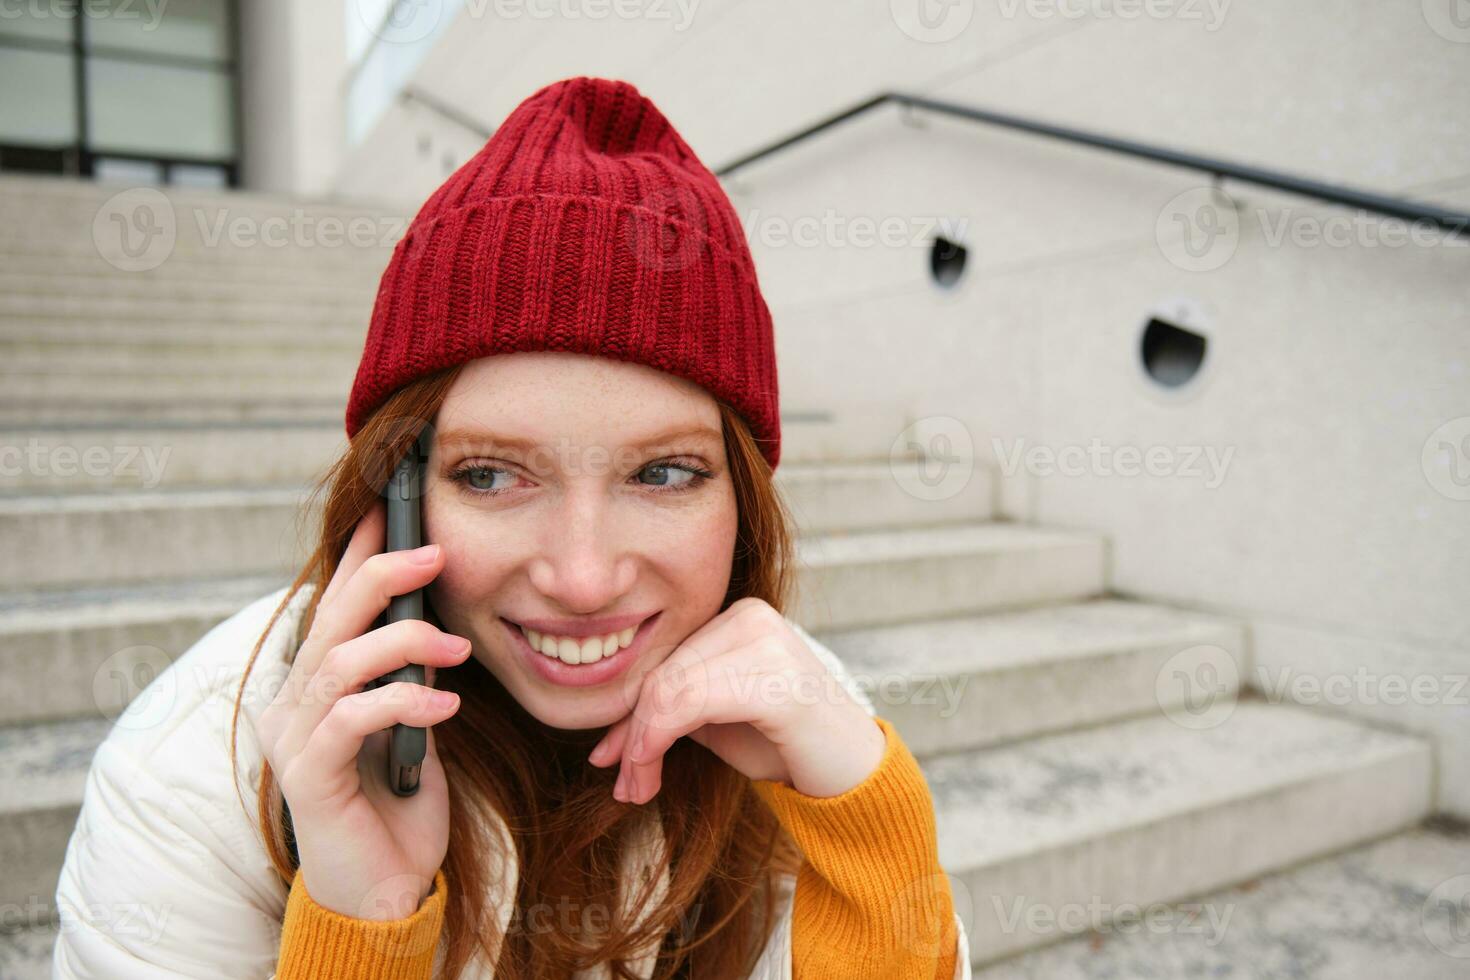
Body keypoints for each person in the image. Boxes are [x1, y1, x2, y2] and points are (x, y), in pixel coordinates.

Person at [52, 75, 971, 979]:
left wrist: (869, 835)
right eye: (489, 475)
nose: (582, 578)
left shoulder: (792, 719)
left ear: (743, 504)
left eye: (663, 473)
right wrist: (364, 921)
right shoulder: (192, 772)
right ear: (396, 490)